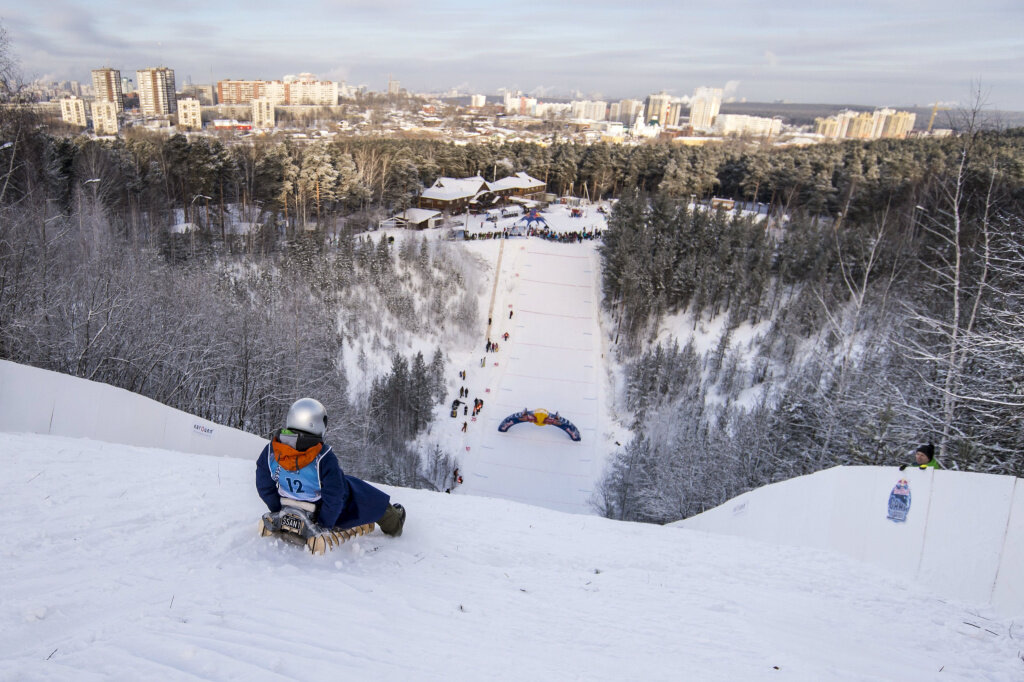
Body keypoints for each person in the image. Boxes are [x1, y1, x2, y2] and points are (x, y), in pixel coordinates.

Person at [257, 398, 406, 537]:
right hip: (320, 510)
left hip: (286, 503)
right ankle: (394, 522)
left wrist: (277, 508)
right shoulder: (323, 457)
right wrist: (324, 524)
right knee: (363, 493)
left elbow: (264, 486)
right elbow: (335, 495)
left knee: (345, 482)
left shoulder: (272, 450)